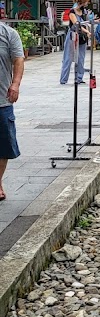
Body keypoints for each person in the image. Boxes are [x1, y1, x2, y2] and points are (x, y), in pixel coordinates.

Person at [0, 19, 25, 202]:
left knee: (4, 148)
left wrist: (15, 84)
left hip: (2, 100)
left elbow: (18, 60)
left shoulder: (9, 34)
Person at [60, 0, 91, 84]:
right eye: (86, 2)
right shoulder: (72, 12)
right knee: (68, 58)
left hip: (82, 37)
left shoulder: (84, 12)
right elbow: (76, 24)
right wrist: (87, 32)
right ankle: (63, 79)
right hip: (73, 35)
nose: (87, 4)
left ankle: (79, 78)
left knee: (81, 58)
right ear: (81, 3)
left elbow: (87, 23)